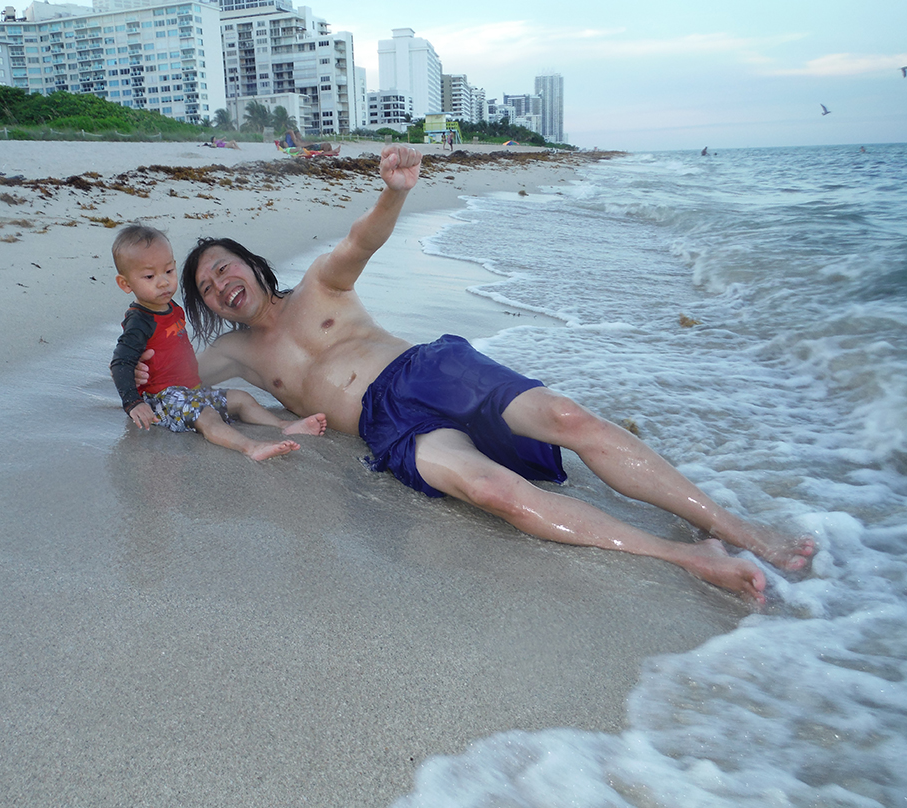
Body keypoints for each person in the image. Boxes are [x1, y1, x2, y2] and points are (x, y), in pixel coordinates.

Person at [138, 146, 814, 603]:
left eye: (227, 266)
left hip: (431, 369)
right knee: (498, 494)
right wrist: (139, 376)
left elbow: (360, 240)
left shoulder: (320, 285)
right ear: (202, 304)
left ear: (254, 266)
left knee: (570, 420)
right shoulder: (229, 355)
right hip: (389, 426)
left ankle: (741, 528)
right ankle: (691, 559)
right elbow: (161, 381)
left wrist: (393, 193)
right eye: (205, 284)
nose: (221, 281)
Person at [109, 224, 326, 460]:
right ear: (125, 284)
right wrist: (133, 402)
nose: (163, 282)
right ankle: (251, 447)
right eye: (150, 276)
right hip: (164, 399)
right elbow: (121, 362)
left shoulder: (172, 308)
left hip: (191, 391)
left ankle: (284, 425)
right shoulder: (140, 321)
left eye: (169, 271)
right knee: (208, 415)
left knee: (241, 399)